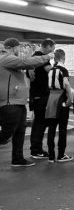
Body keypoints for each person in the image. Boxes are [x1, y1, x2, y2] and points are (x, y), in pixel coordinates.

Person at [0, 38, 54, 167]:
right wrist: (47, 57)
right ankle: (18, 157)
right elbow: (25, 62)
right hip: (10, 103)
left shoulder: (11, 61)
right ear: (13, 48)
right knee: (7, 134)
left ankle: (17, 159)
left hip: (18, 102)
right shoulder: (6, 58)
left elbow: (26, 64)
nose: (20, 50)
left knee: (20, 132)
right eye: (19, 48)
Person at [28, 38, 56, 159]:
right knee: (40, 123)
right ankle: (36, 150)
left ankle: (36, 149)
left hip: (36, 94)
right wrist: (60, 69)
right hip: (40, 95)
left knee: (38, 122)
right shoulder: (40, 56)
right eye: (52, 50)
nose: (52, 53)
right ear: (48, 47)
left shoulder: (35, 57)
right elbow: (49, 70)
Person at [45, 49, 73, 163]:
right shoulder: (63, 69)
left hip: (51, 99)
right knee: (62, 129)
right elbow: (66, 84)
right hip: (60, 98)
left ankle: (51, 156)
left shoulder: (51, 70)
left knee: (51, 129)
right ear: (63, 57)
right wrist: (70, 99)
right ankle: (61, 155)